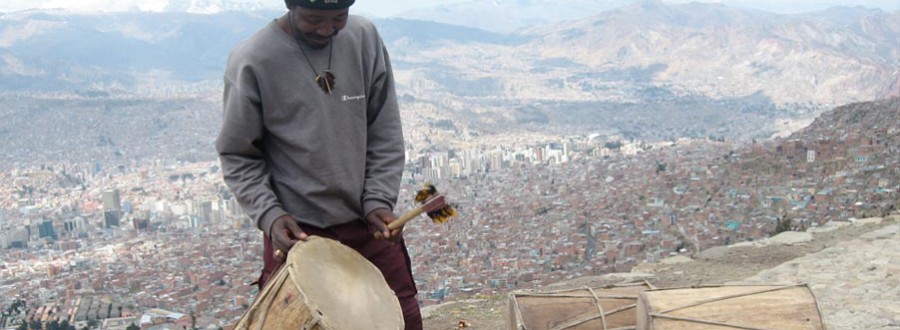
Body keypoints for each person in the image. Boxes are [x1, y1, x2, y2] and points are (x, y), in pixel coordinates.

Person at [215, 0, 421, 327]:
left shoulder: (363, 38)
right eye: (313, 19)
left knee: (401, 318)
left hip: (367, 227)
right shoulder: (254, 60)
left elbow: (384, 129)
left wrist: (378, 199)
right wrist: (270, 214)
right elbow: (239, 154)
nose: (326, 30)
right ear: (291, 6)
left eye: (339, 18)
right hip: (299, 233)